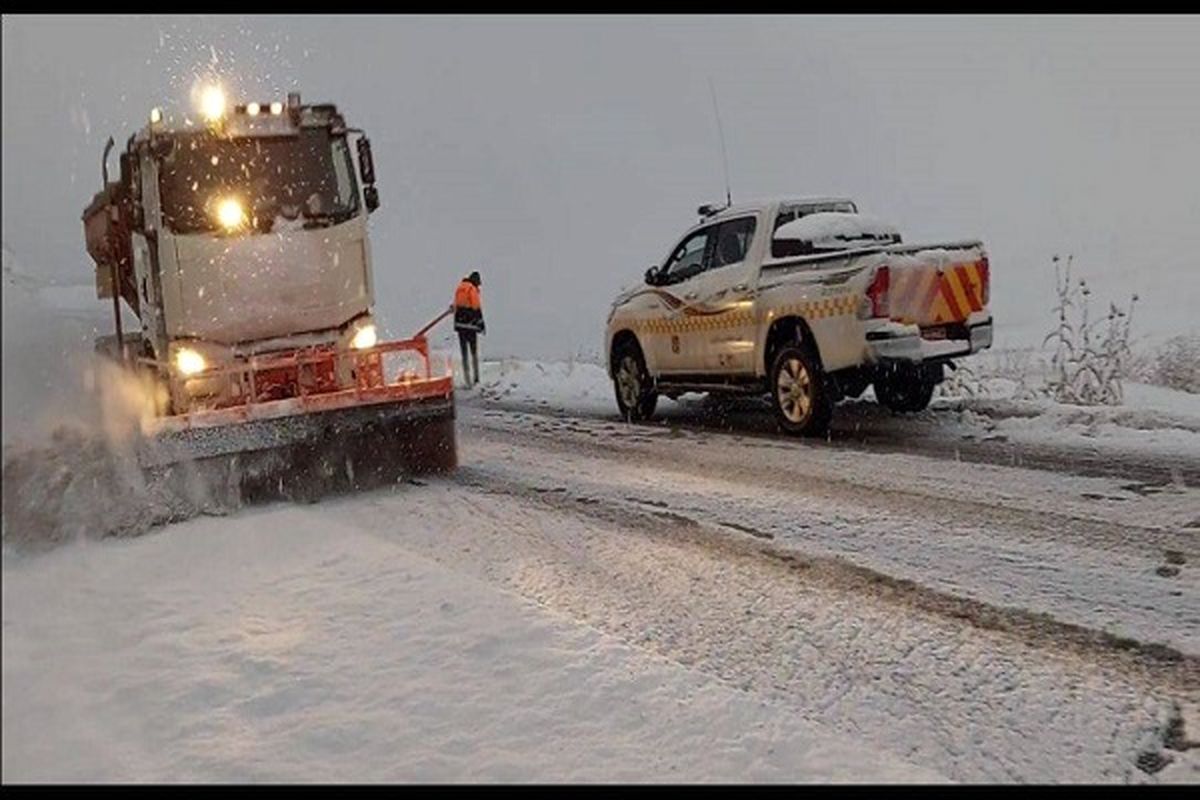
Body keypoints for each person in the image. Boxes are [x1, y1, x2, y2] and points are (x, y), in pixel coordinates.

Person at [453, 270, 485, 387]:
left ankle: (467, 379)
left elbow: (455, 305)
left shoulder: (460, 288)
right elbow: (476, 307)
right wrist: (481, 324)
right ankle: (476, 378)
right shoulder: (471, 289)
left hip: (460, 325)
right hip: (470, 325)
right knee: (473, 352)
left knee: (464, 353)